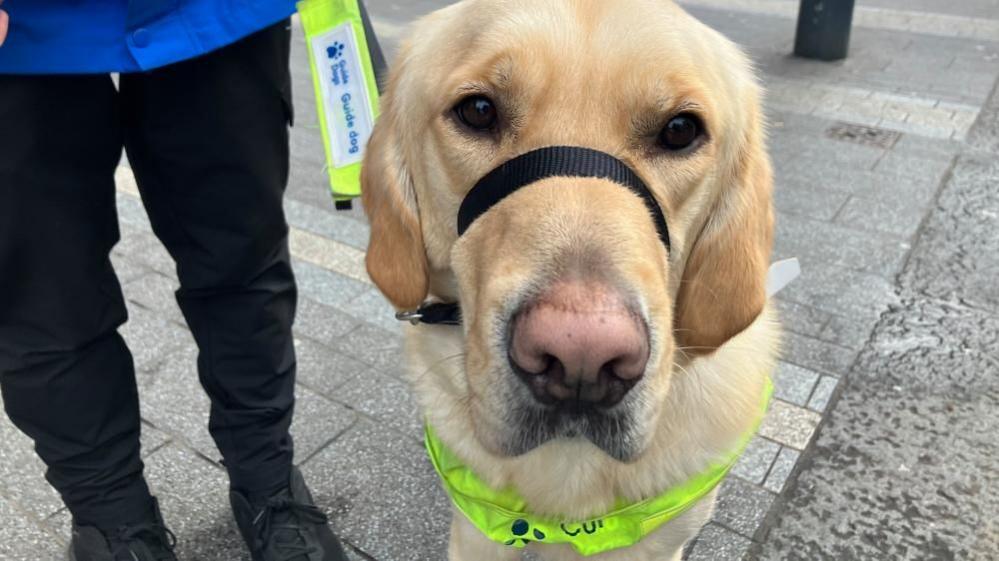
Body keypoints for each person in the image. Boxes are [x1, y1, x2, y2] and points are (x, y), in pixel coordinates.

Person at [0, 2, 350, 560]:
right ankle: (114, 526)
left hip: (217, 12)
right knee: (40, 296)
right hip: (18, 37)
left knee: (243, 262)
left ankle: (269, 488)